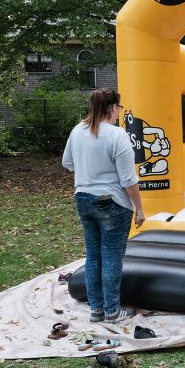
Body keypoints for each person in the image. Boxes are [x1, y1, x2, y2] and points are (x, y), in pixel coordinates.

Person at [62, 88, 145, 324]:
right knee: (111, 257)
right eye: (119, 107)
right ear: (112, 108)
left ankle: (96, 309)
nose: (120, 112)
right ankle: (112, 311)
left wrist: (89, 168)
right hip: (112, 203)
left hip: (83, 199)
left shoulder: (78, 131)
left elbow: (67, 163)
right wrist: (139, 208)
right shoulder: (117, 135)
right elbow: (129, 179)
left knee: (93, 256)